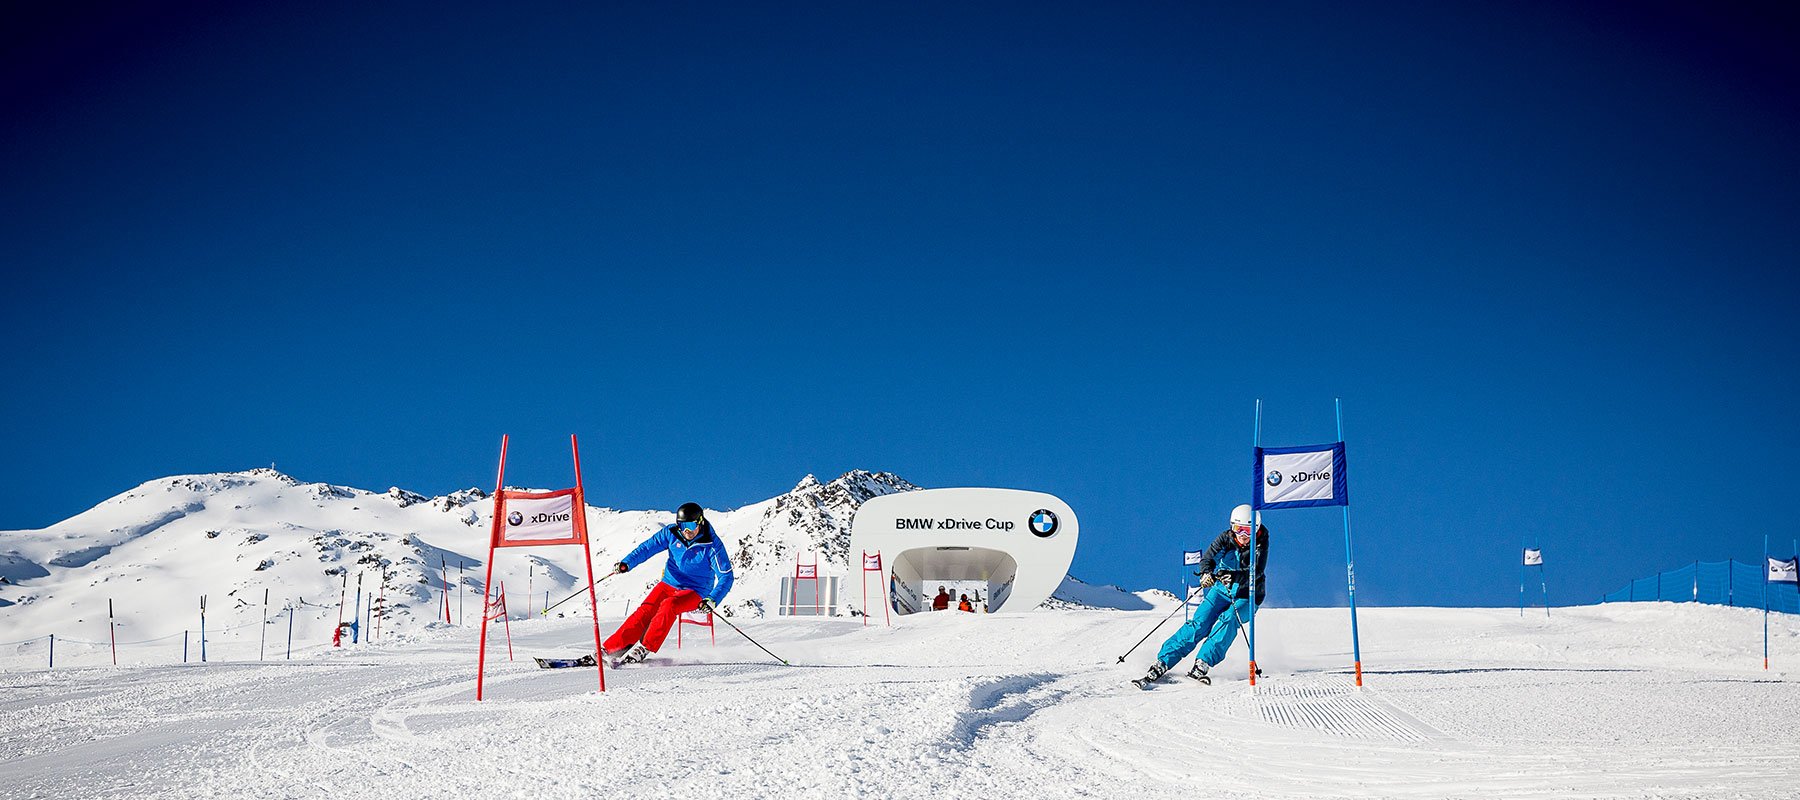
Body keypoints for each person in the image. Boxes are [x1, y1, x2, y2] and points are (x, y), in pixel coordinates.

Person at [1135, 504, 1268, 687]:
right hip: (1222, 589)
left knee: (1228, 619)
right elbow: (1208, 558)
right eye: (1238, 529)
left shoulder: (1260, 543)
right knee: (1199, 623)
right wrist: (1206, 573)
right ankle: (1164, 661)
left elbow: (1257, 571)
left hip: (1248, 595)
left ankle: (1203, 662)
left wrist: (1234, 576)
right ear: (1232, 527)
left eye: (1248, 531)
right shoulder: (1225, 539)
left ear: (1256, 529)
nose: (1243, 536)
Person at [601, 502, 734, 665]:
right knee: (645, 610)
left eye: (691, 525)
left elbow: (726, 577)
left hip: (696, 590)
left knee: (669, 606)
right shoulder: (671, 533)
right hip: (669, 583)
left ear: (699, 522)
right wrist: (627, 563)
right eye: (683, 525)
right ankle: (611, 649)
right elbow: (647, 548)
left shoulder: (712, 546)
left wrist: (713, 599)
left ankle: (644, 647)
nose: (686, 531)